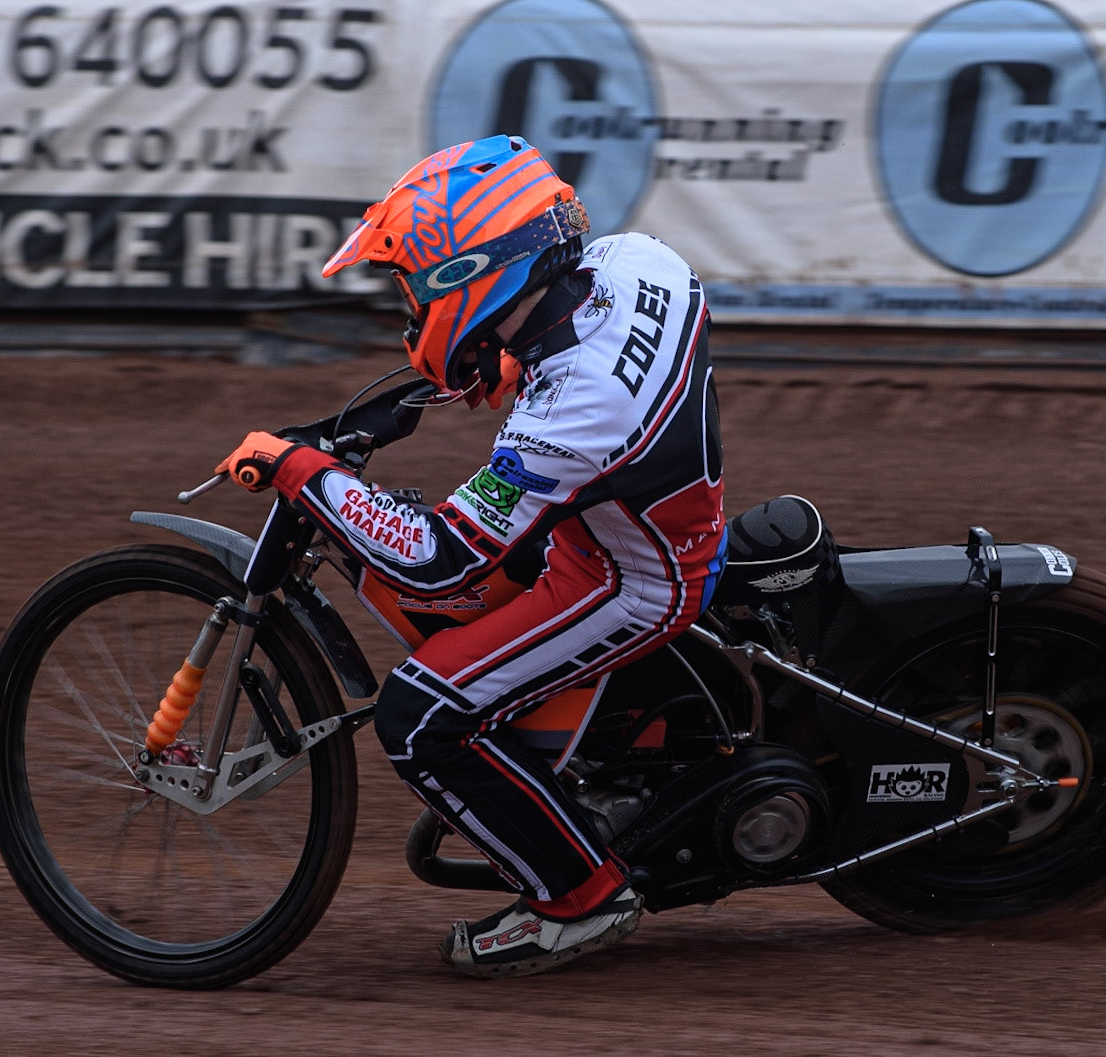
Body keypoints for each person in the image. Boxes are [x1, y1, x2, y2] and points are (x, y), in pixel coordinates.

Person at [214, 135, 726, 978]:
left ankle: (580, 898)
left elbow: (437, 558)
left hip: (634, 578)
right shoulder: (638, 261)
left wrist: (306, 471)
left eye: (414, 284)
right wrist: (502, 361)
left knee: (417, 716)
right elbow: (566, 354)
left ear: (471, 271)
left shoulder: (577, 405)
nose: (408, 305)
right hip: (630, 516)